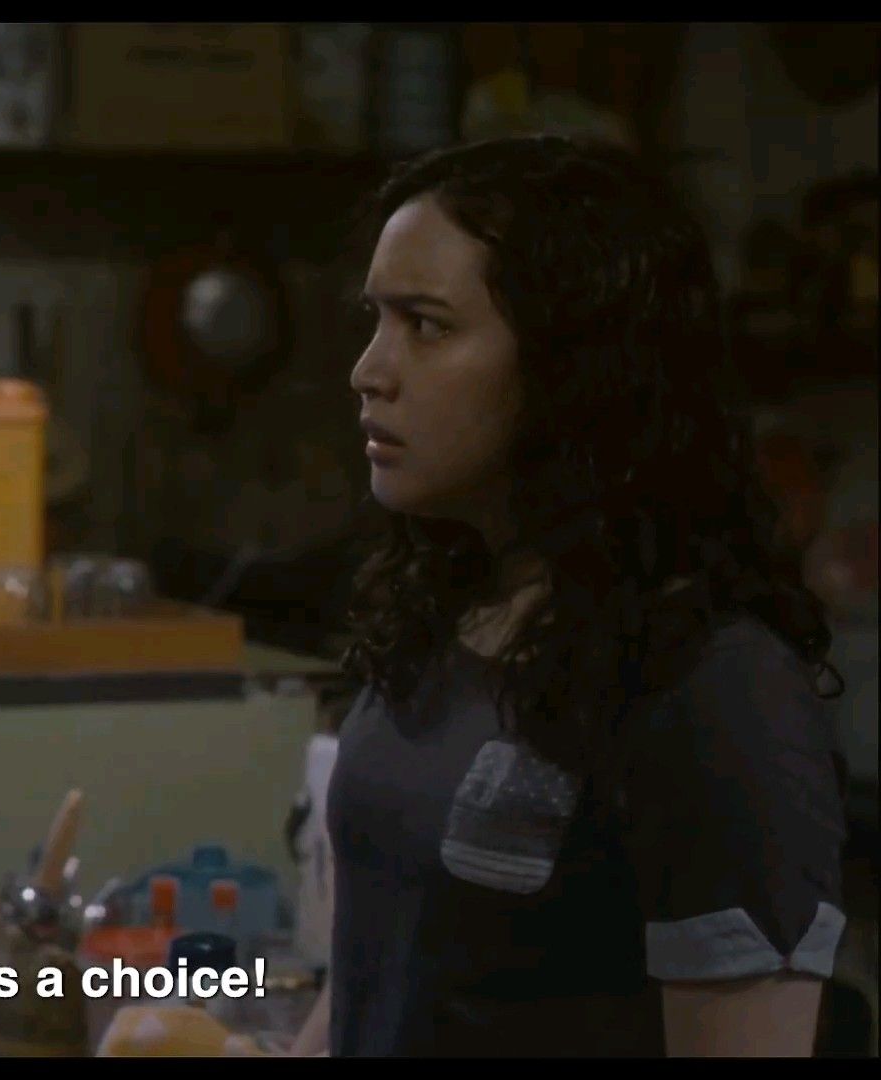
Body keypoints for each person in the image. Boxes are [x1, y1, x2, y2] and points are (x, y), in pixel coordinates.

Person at [287, 135, 849, 1057]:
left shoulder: (711, 685)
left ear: (570, 365)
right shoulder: (442, 611)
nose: (370, 370)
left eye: (426, 325)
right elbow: (377, 973)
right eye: (375, 318)